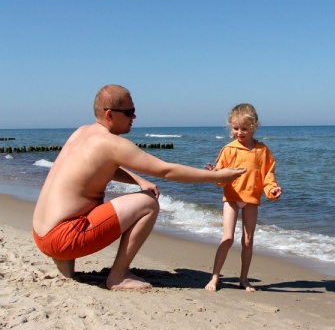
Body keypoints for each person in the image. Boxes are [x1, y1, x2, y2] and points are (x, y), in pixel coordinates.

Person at [32, 84, 246, 290]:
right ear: (109, 114)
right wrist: (217, 178)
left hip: (41, 234)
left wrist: (138, 180)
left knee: (103, 201)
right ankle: (118, 276)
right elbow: (166, 171)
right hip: (64, 237)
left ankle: (66, 266)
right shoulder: (111, 143)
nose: (134, 117)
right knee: (148, 203)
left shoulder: (82, 133)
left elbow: (101, 168)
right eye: (129, 112)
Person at [204, 103, 282, 292]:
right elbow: (221, 177)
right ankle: (214, 277)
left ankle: (244, 279)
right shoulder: (229, 149)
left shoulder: (262, 151)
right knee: (228, 238)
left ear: (254, 127)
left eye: (244, 129)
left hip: (251, 200)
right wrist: (216, 174)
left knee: (248, 240)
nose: (239, 132)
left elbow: (268, 177)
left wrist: (271, 190)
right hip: (231, 198)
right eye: (236, 128)